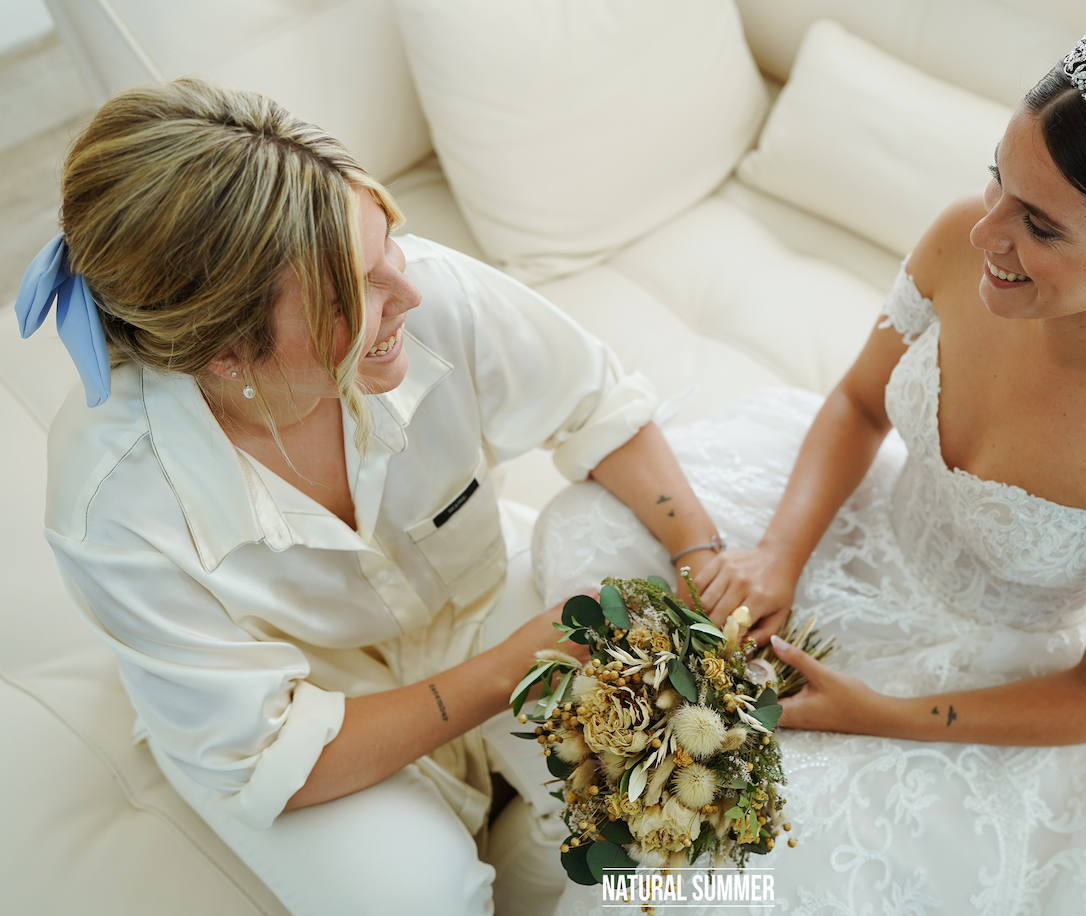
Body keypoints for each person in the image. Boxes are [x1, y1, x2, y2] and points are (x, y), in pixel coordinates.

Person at [534, 28, 1086, 913]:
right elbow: (861, 405)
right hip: (858, 533)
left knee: (745, 882)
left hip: (1007, 682)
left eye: (1039, 225)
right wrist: (780, 554)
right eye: (996, 182)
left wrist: (880, 716)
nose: (986, 233)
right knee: (588, 542)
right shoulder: (963, 243)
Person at [20, 78, 727, 916]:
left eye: (389, 246)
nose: (411, 291)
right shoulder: (113, 505)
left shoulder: (418, 290)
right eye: (358, 292)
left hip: (473, 601)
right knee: (424, 897)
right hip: (303, 717)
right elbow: (270, 752)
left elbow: (592, 402)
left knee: (652, 806)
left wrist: (701, 551)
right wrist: (512, 670)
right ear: (228, 356)